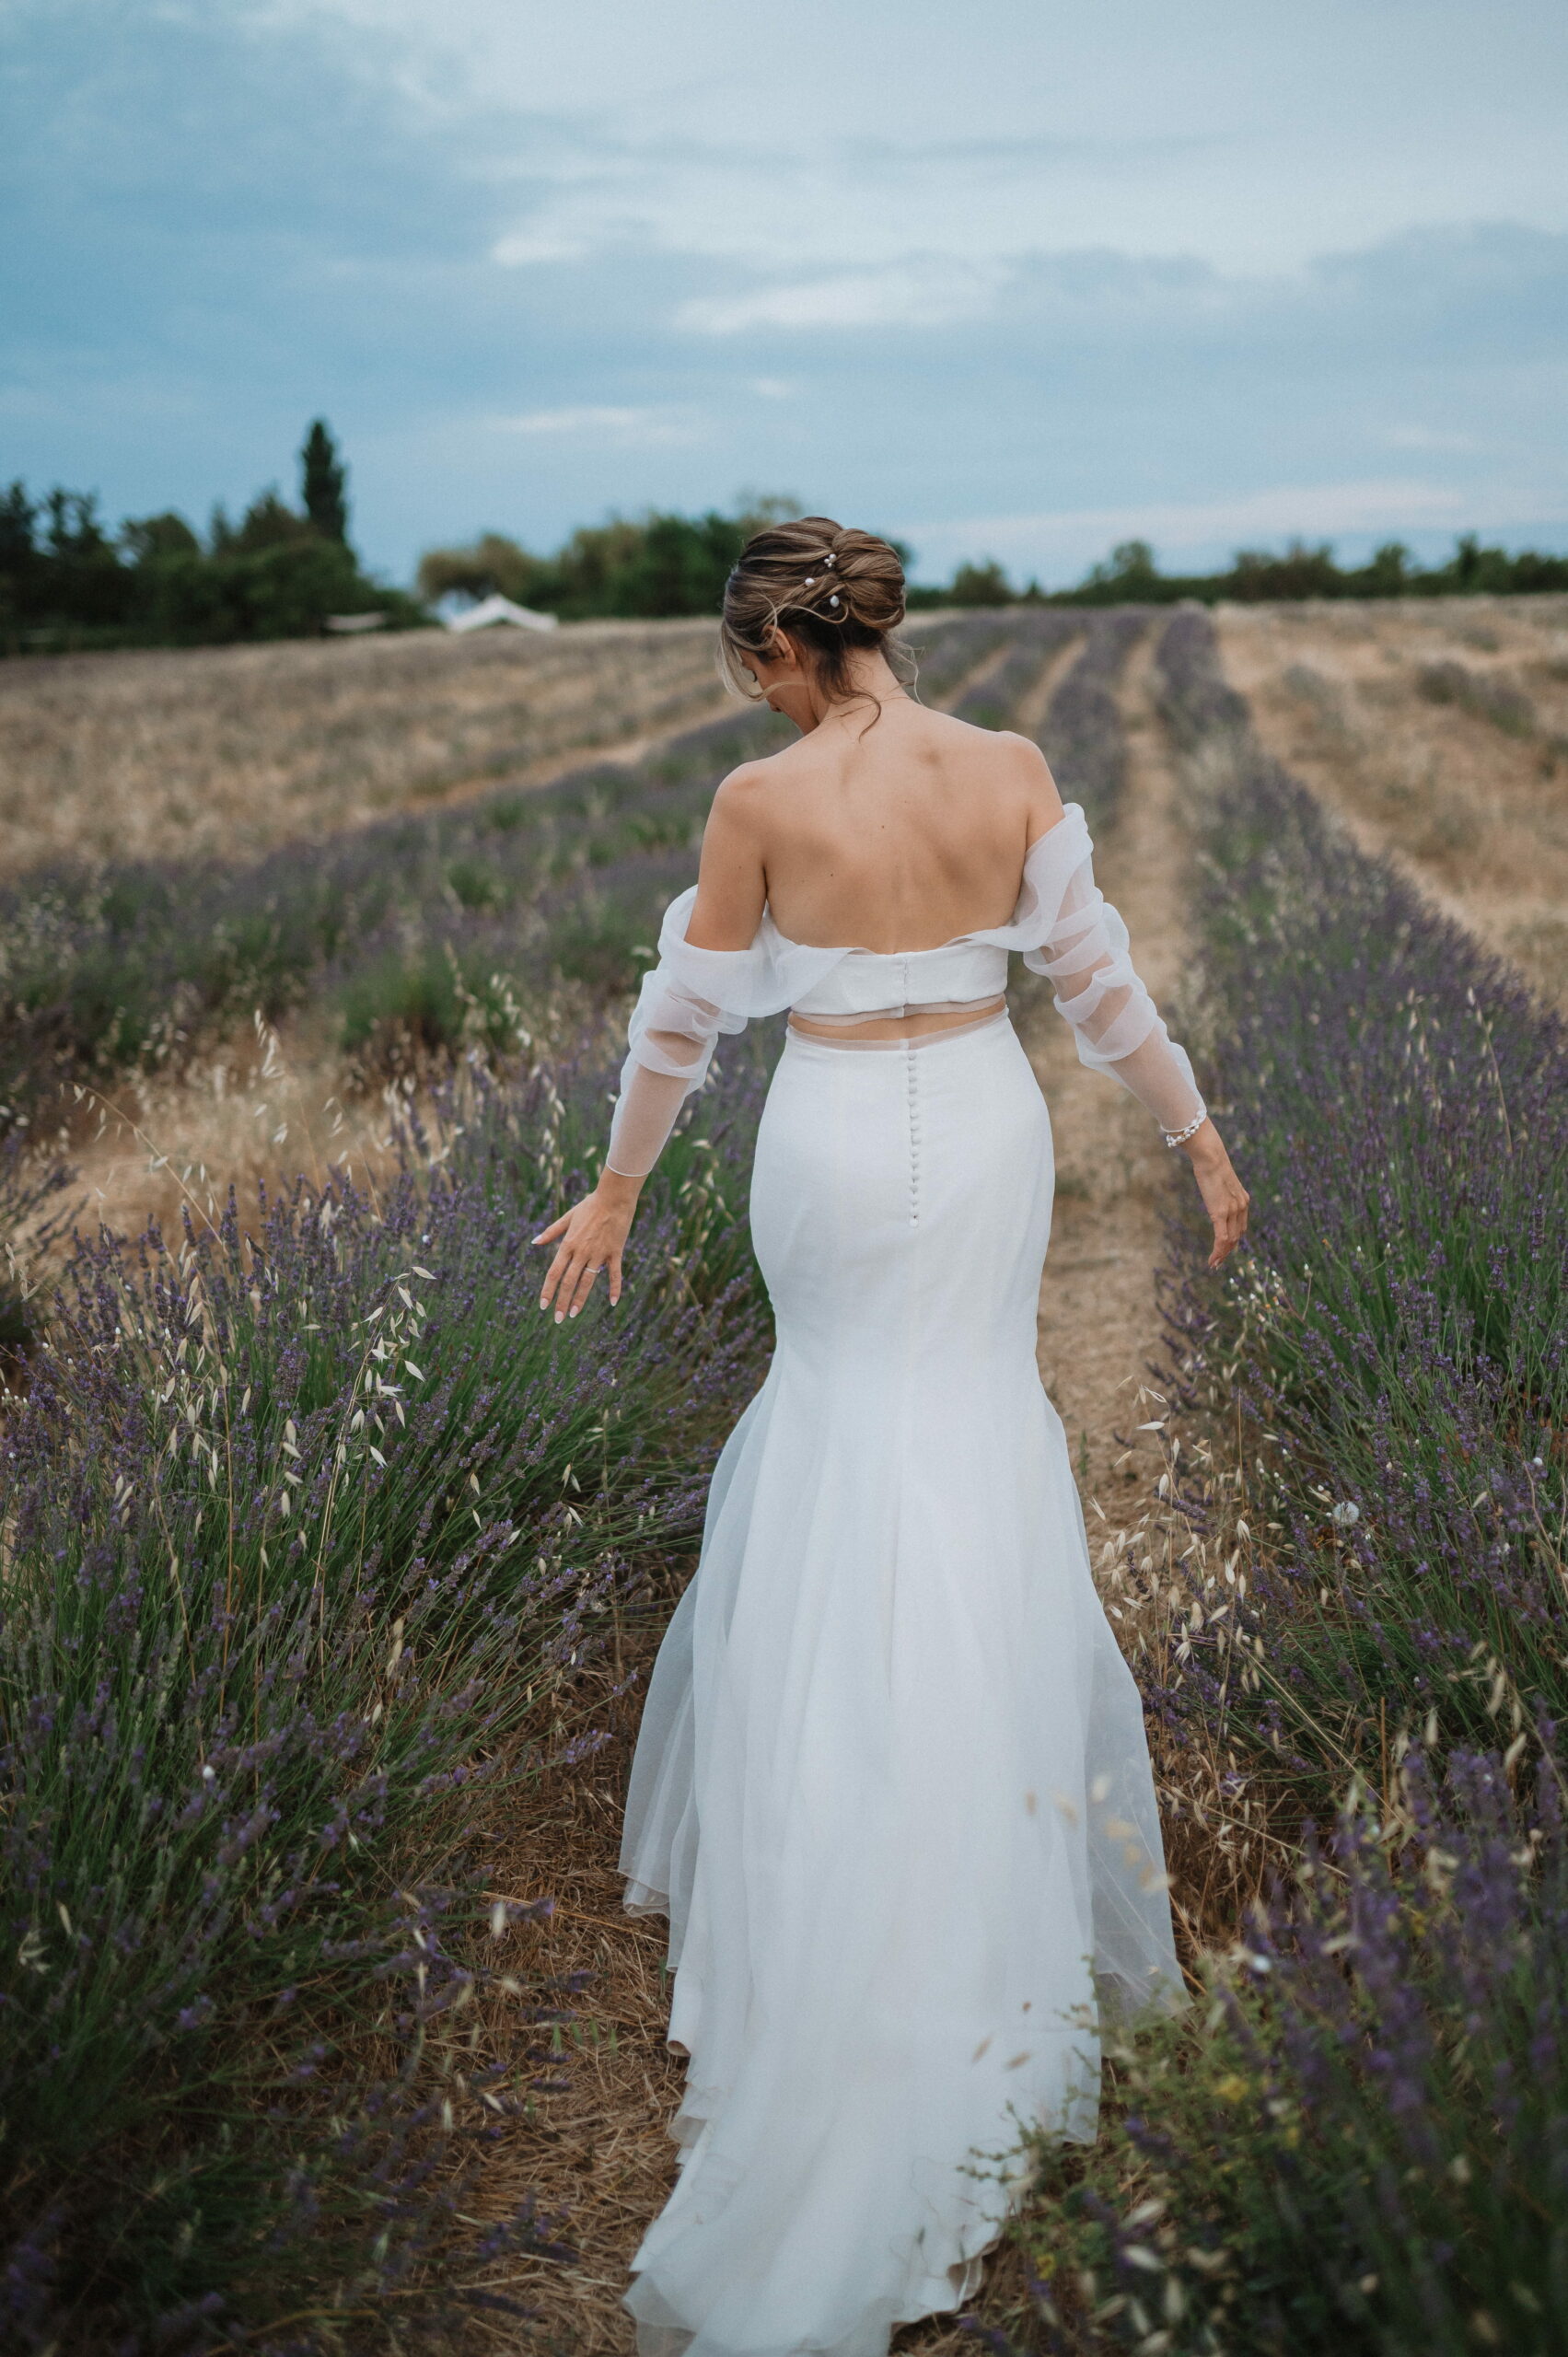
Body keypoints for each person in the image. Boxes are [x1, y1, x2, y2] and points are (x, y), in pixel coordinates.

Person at [534, 518, 1249, 2357]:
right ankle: (976, 1883)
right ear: (880, 626)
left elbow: (682, 1020)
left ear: (782, 648)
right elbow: (1095, 985)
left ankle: (833, 1866)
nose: (748, 693)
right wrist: (1199, 1140)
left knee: (836, 1434)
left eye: (745, 666)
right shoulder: (1010, 769)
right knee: (976, 1436)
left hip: (839, 1142)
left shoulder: (761, 802)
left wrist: (614, 1193)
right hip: (986, 1123)